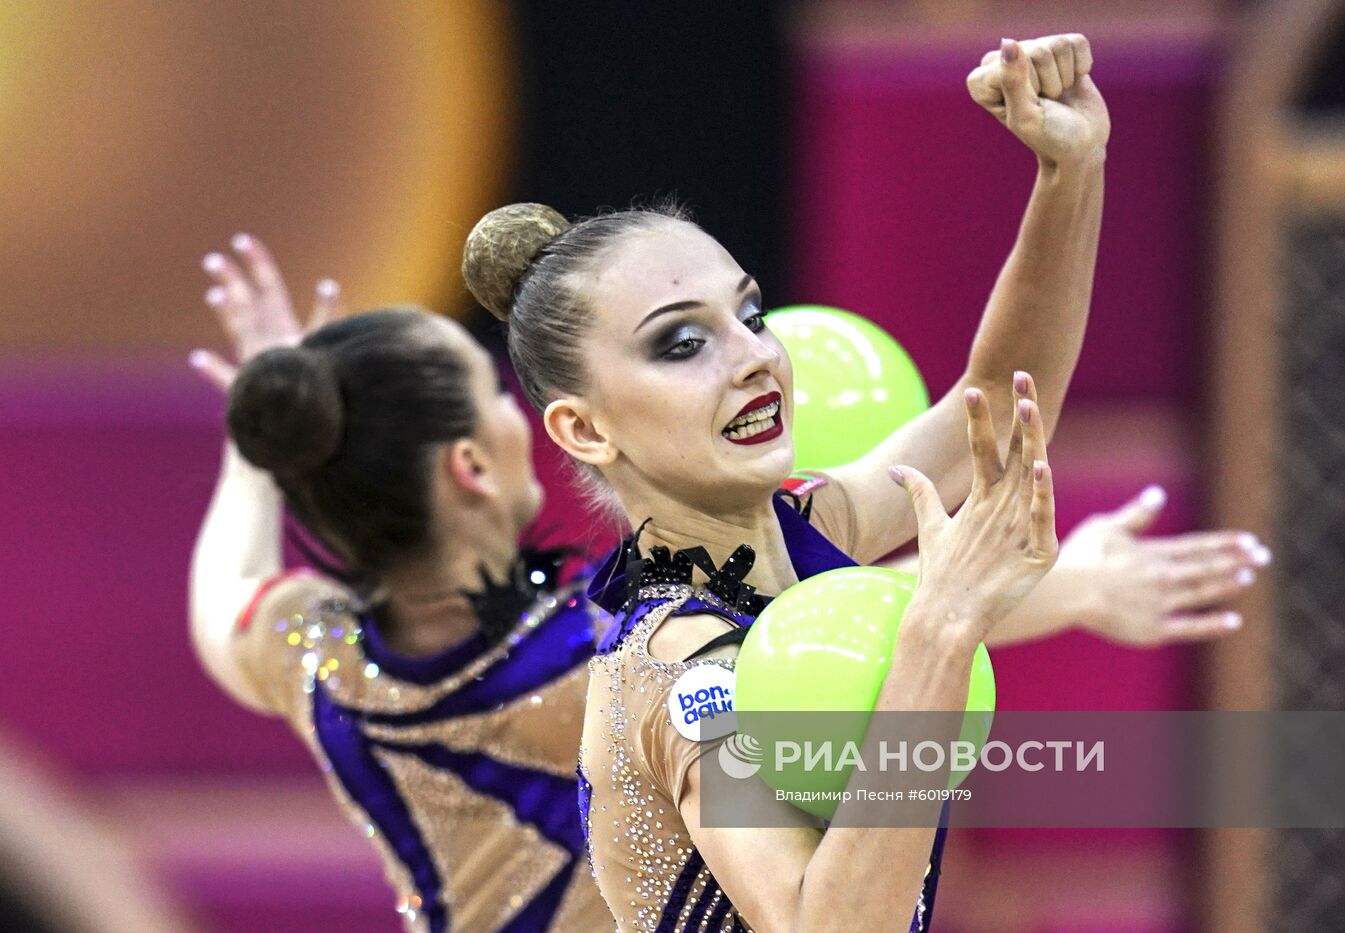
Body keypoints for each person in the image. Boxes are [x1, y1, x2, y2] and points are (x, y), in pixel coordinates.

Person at [461, 33, 1118, 931]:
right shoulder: (685, 669)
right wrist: (938, 632)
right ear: (585, 427)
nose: (757, 359)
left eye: (751, 314)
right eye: (682, 343)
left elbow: (997, 406)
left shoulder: (808, 533)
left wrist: (1069, 171)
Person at [187, 235, 615, 932]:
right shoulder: (612, 656)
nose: (520, 413)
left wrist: (256, 442)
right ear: (470, 465)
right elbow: (829, 787)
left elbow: (226, 592)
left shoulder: (320, 661)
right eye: (495, 392)